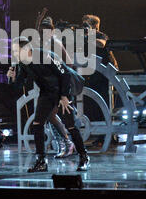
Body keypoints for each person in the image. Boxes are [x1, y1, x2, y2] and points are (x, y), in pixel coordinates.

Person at [7, 37, 89, 172]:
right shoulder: (23, 63)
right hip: (46, 93)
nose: (14, 54)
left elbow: (65, 74)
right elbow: (18, 87)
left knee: (71, 126)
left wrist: (64, 96)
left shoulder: (45, 55)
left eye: (16, 50)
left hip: (62, 91)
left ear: (27, 49)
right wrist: (11, 78)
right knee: (37, 124)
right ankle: (41, 161)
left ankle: (84, 157)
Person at [37, 16, 75, 158]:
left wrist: (59, 73)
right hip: (50, 86)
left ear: (52, 31)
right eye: (42, 30)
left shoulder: (55, 43)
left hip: (60, 85)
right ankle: (65, 143)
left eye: (47, 30)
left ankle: (67, 143)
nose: (44, 33)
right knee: (48, 115)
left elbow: (69, 64)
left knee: (50, 114)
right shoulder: (43, 44)